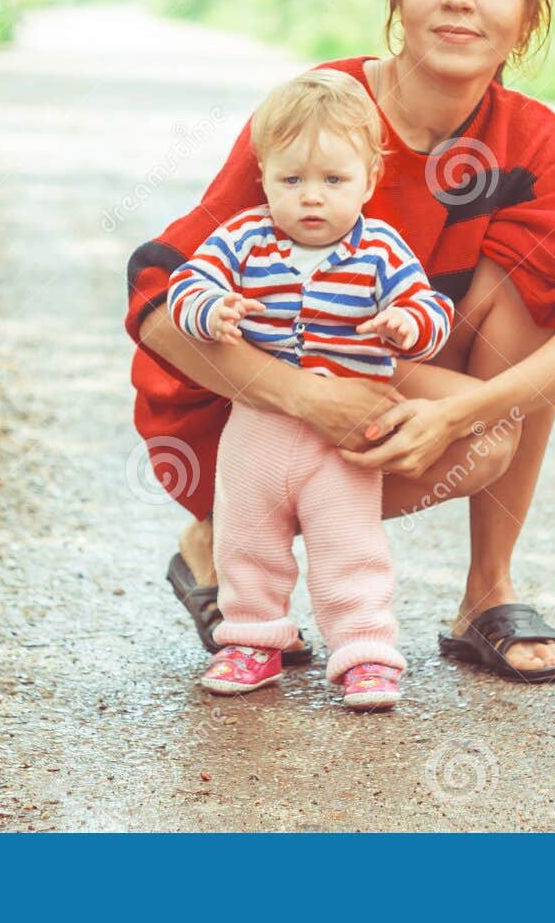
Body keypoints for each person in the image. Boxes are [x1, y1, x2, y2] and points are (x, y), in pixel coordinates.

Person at [127, 0, 555, 683]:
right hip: (250, 382)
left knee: (535, 301)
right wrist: (305, 394)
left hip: (387, 369)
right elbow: (159, 300)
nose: (459, 1)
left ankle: (487, 594)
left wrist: (464, 413)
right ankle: (219, 530)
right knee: (444, 416)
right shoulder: (324, 110)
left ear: (527, 14)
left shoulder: (533, 140)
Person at [168, 69, 454, 710]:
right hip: (259, 427)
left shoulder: (380, 248)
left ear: (369, 180)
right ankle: (250, 641)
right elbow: (185, 284)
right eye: (291, 180)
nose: (311, 198)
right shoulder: (244, 238)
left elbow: (430, 307)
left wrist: (407, 326)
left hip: (342, 439)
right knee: (247, 541)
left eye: (333, 180)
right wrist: (209, 308)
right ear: (264, 175)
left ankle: (365, 652)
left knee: (350, 547)